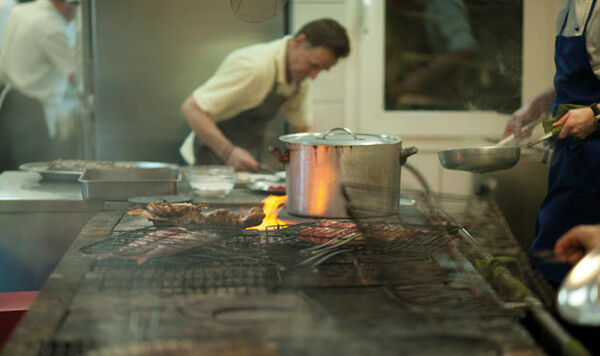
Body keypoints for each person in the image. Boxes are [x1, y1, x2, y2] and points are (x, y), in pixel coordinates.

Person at [502, 0, 600, 286]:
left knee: (573, 273)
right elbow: (580, 78)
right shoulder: (570, 6)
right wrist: (539, 103)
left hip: (595, 170)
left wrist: (595, 115)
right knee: (553, 262)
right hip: (571, 162)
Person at [179, 18, 350, 172]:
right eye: (313, 65)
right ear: (299, 42)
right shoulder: (254, 66)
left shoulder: (300, 78)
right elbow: (191, 108)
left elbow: (301, 129)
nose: (313, 76)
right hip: (204, 162)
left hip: (244, 164)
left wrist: (311, 165)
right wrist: (228, 152)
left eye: (321, 70)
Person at [0, 0, 79, 171]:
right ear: (66, 5)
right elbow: (77, 75)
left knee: (11, 173)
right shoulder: (51, 27)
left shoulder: (20, 11)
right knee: (30, 174)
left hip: (9, 103)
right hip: (32, 114)